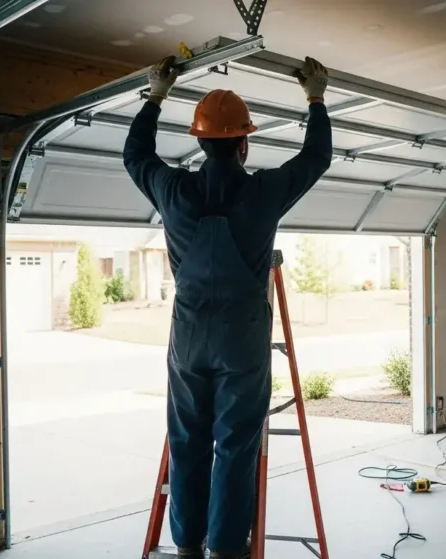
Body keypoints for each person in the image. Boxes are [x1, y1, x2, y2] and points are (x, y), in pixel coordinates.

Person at [123, 55, 332, 559]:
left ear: (198, 141)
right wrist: (316, 97)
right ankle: (225, 549)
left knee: (187, 442)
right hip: (242, 340)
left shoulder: (172, 189)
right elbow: (315, 159)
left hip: (190, 336)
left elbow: (135, 156)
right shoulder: (263, 192)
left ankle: (188, 545)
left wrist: (156, 94)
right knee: (235, 446)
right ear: (244, 143)